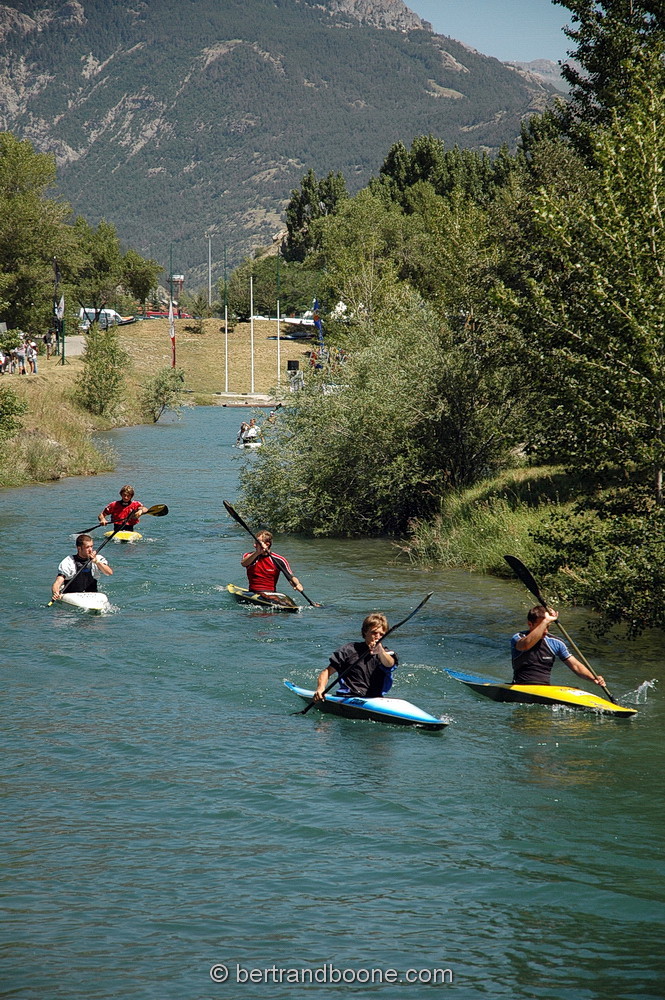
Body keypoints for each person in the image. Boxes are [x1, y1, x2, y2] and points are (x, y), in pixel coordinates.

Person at [511, 605, 606, 688]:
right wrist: (546, 621)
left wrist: (593, 677)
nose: (545, 631)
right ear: (530, 624)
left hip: (545, 688)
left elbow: (576, 666)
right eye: (542, 626)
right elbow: (525, 645)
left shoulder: (556, 643)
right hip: (520, 686)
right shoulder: (518, 638)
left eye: (548, 626)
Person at [313, 613, 397, 701]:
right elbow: (327, 672)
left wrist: (380, 651)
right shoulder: (348, 650)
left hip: (375, 699)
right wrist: (320, 688)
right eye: (374, 633)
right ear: (365, 631)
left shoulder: (387, 653)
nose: (378, 637)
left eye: (381, 634)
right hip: (349, 697)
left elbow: (390, 664)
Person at [240, 530, 303, 595]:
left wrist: (297, 584)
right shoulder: (249, 556)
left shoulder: (279, 560)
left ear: (267, 544)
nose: (254, 545)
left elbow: (290, 577)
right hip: (253, 592)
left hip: (271, 594)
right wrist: (257, 553)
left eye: (257, 543)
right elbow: (244, 563)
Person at [51, 533, 113, 599]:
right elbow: (57, 583)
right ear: (79, 548)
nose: (90, 550)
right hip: (72, 596)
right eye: (87, 547)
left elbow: (109, 573)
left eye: (91, 546)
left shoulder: (97, 558)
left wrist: (97, 562)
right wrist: (56, 593)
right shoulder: (69, 561)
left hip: (91, 595)